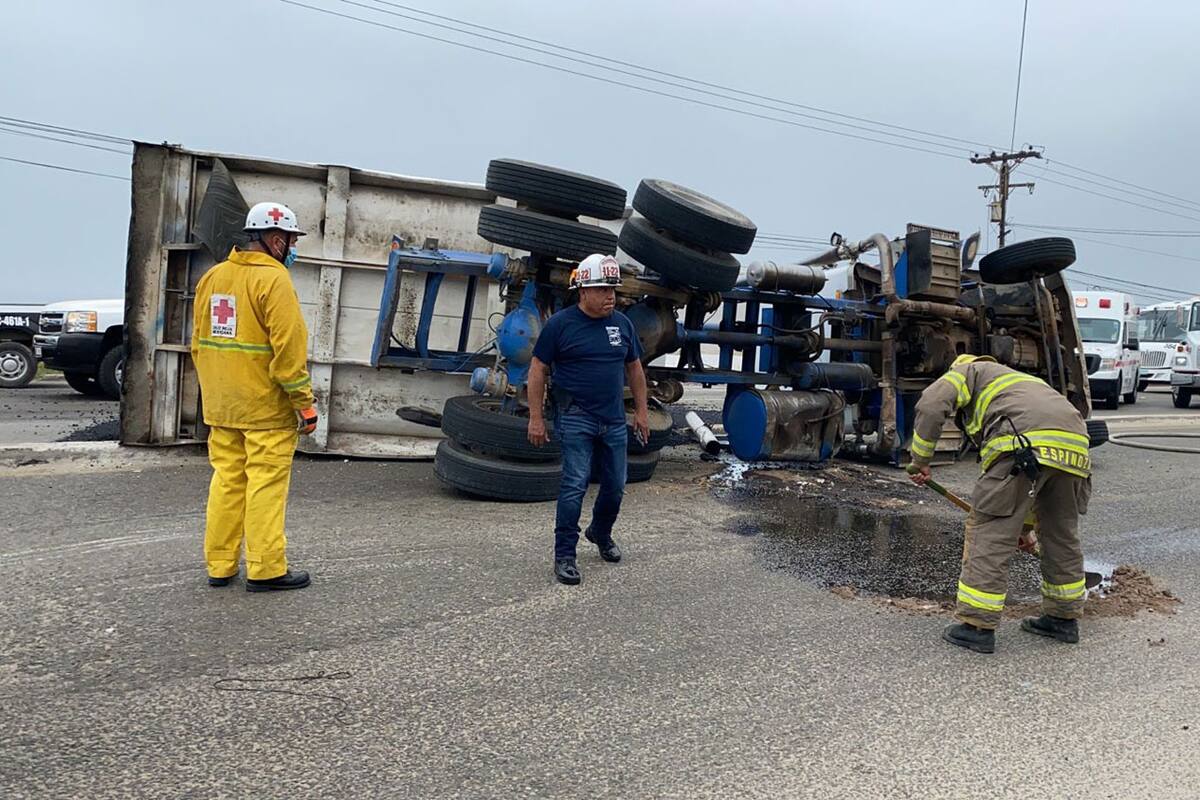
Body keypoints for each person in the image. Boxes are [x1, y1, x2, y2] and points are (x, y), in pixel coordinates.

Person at [908, 354, 1092, 654]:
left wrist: (920, 460)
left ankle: (977, 626)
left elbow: (931, 404)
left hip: (1022, 446)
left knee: (989, 531)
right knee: (1060, 534)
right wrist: (1025, 528)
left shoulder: (967, 371)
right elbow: (1029, 493)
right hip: (1075, 450)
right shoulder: (1020, 382)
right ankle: (1063, 619)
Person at [190, 201, 318, 592]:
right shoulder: (274, 280)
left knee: (227, 481)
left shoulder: (213, 277)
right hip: (265, 407)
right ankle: (265, 569)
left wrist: (216, 392)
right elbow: (289, 350)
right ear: (276, 240)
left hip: (222, 406)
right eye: (292, 241)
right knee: (265, 484)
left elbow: (198, 344)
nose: (293, 248)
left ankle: (220, 565)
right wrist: (304, 403)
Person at [527, 253, 650, 586]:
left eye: (612, 289)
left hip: (613, 420)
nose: (610, 296)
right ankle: (565, 555)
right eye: (602, 289)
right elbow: (537, 369)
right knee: (575, 485)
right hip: (575, 417)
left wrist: (641, 411)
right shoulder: (560, 325)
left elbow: (634, 368)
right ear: (582, 291)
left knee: (616, 486)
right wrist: (536, 417)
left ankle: (600, 532)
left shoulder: (622, 324)